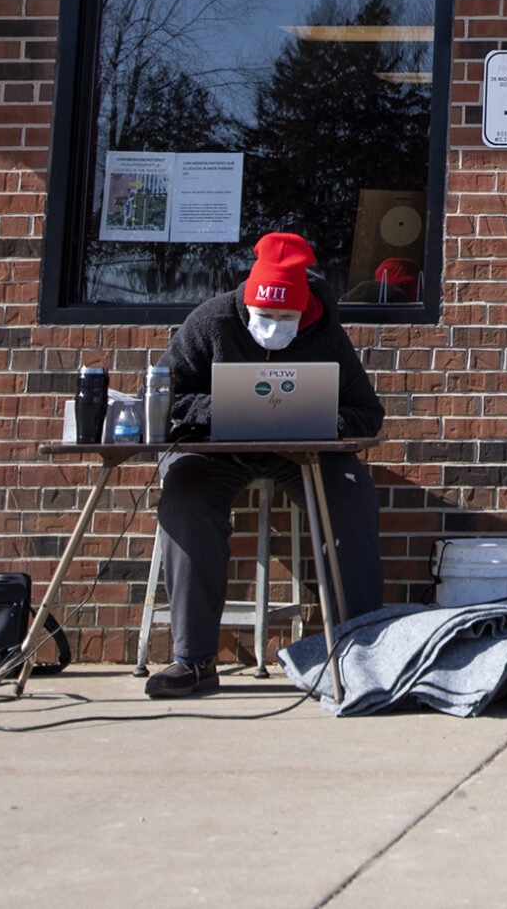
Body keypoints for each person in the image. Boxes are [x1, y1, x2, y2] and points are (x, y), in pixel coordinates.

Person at [146, 231, 386, 699]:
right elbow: (167, 399)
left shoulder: (326, 334)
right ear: (245, 303)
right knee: (185, 499)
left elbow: (367, 412)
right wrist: (221, 411)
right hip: (214, 451)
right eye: (264, 316)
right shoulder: (210, 321)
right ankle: (193, 661)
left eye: (285, 317)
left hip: (302, 453)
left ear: (305, 309)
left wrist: (319, 417)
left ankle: (361, 652)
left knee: (353, 497)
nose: (273, 325)